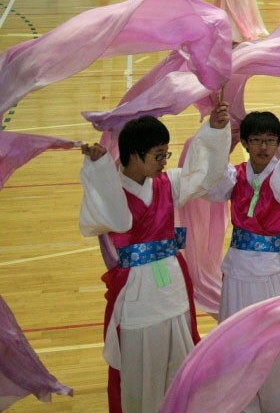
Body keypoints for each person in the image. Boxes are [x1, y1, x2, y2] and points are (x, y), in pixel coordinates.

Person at [79, 102, 231, 413]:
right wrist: (99, 171)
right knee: (141, 372)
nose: (164, 162)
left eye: (166, 154)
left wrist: (215, 130)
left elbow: (202, 174)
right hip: (137, 297)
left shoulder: (168, 183)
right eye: (158, 155)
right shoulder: (112, 191)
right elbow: (116, 219)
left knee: (179, 362)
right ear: (134, 155)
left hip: (172, 287)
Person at [204, 111, 280, 413]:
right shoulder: (235, 175)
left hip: (270, 273)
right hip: (237, 270)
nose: (263, 147)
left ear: (278, 142)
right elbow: (210, 187)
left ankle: (278, 405)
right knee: (235, 342)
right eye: (256, 141)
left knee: (274, 345)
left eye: (270, 141)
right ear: (246, 143)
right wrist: (216, 134)